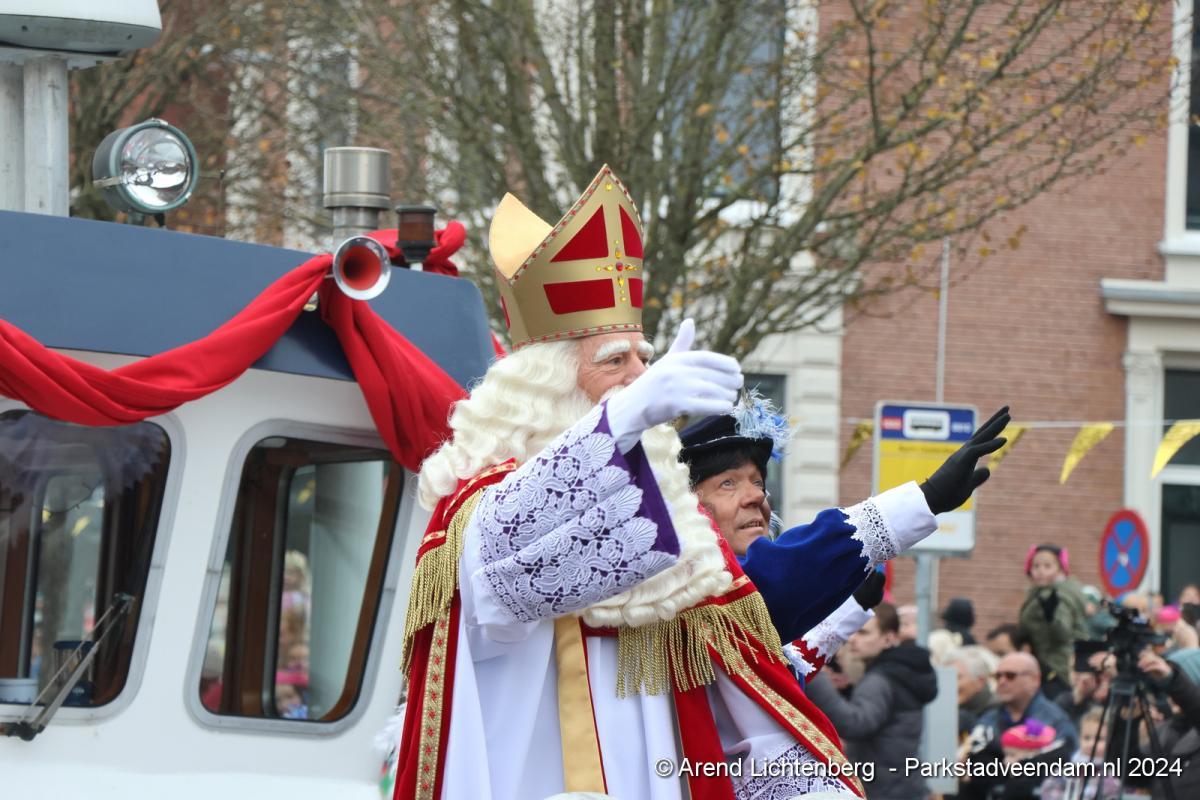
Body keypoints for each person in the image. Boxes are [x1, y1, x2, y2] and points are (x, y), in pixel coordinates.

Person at [393, 165, 1007, 800]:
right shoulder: (484, 507)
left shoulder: (671, 524)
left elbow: (760, 611)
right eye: (615, 361)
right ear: (543, 387)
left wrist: (916, 504)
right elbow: (512, 566)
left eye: (644, 359)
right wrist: (625, 417)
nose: (640, 376)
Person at [806, 603, 939, 799]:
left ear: (888, 638)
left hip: (883, 790)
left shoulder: (881, 679)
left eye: (863, 633)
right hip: (902, 787)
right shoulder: (901, 672)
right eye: (853, 632)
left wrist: (814, 676)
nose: (853, 639)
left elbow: (855, 723)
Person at [1018, 544, 1087, 701]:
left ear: (1060, 569)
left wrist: (1052, 617)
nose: (1040, 571)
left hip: (1056, 667)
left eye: (1047, 566)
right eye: (1036, 566)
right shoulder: (1038, 593)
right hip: (1040, 663)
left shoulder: (1059, 595)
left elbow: (1063, 633)